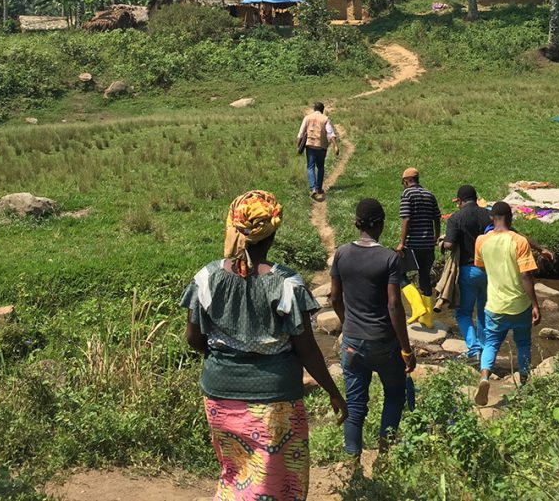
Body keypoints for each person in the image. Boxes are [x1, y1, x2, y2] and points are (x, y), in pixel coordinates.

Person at [183, 190, 346, 501]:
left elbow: (193, 339)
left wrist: (225, 358)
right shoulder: (286, 284)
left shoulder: (206, 277)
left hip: (219, 396)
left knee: (235, 472)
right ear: (273, 234)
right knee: (276, 483)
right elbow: (306, 349)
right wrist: (333, 392)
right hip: (273, 402)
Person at [330, 198, 417, 457]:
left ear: (357, 223)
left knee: (355, 406)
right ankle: (384, 453)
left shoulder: (342, 253)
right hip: (384, 343)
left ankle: (352, 461)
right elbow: (394, 305)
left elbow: (335, 298)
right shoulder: (389, 258)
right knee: (394, 394)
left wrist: (348, 325)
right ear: (380, 224)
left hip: (353, 343)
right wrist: (406, 348)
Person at [473, 201, 542, 405]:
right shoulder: (519, 241)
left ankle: (485, 376)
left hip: (494, 305)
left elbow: (482, 267)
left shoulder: (481, 241)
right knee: (523, 344)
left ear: (491, 218)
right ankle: (523, 382)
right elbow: (526, 276)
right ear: (510, 218)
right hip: (519, 305)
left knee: (492, 344)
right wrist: (536, 304)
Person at [441, 183, 492, 361]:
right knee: (484, 310)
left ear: (461, 201)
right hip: (488, 271)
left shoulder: (456, 218)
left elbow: (450, 244)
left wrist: (442, 242)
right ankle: (486, 350)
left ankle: (474, 348)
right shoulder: (489, 215)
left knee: (463, 312)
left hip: (467, 271)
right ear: (476, 199)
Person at [397, 167, 441, 328]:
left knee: (399, 274)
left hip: (413, 244)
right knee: (424, 278)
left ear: (407, 181)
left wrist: (402, 243)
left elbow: (406, 219)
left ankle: (417, 307)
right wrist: (436, 236)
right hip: (428, 245)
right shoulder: (430, 195)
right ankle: (427, 320)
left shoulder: (407, 194)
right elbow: (437, 217)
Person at [296, 102, 338, 201]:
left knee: (310, 167)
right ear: (322, 109)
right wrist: (335, 146)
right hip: (321, 146)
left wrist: (298, 146)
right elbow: (330, 133)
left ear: (314, 109)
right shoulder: (325, 119)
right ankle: (319, 188)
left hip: (310, 145)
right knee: (320, 167)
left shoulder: (307, 118)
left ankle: (313, 188)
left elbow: (301, 133)